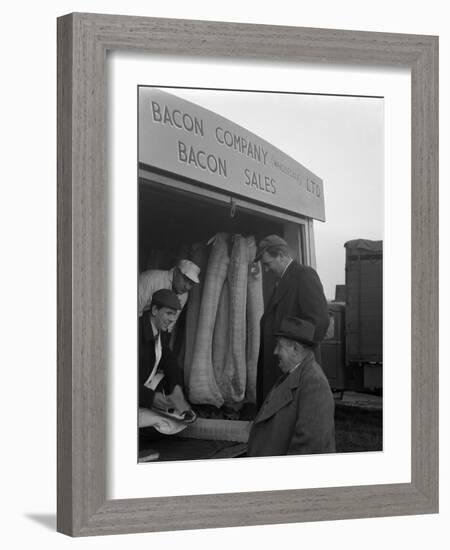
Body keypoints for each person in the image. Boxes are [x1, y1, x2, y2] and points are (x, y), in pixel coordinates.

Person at [255, 234, 329, 408]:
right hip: (281, 368)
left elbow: (320, 321)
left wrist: (296, 357)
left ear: (281, 255)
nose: (266, 270)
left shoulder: (304, 275)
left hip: (293, 370)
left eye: (267, 264)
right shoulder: (281, 282)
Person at [247, 317, 335, 457]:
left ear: (295, 348)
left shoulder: (314, 384)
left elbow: (309, 448)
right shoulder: (294, 374)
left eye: (279, 346)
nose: (275, 352)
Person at [139, 289, 195, 459]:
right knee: (161, 427)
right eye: (168, 313)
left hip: (143, 389)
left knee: (176, 420)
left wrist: (176, 391)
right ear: (155, 310)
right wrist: (150, 398)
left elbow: (169, 361)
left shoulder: (161, 333)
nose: (172, 319)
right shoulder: (135, 334)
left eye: (174, 314)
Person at [138, 259, 201, 324]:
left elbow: (171, 323)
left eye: (191, 283)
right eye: (185, 279)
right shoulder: (150, 279)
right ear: (176, 272)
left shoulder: (184, 294)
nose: (187, 287)